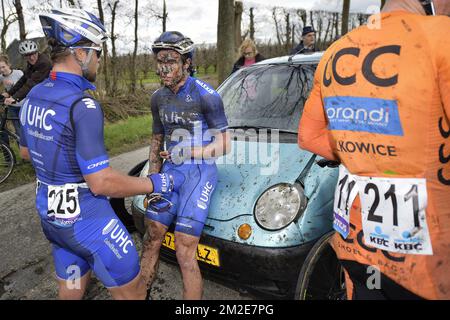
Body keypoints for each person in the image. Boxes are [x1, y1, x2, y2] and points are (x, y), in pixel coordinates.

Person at [19, 7, 183, 300]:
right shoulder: (83, 105)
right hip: (90, 221)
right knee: (133, 293)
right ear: (80, 54)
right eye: (97, 52)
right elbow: (101, 183)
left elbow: (25, 151)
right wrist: (156, 184)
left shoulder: (34, 95)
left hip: (53, 221)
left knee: (69, 294)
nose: (99, 61)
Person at [298, 0, 450, 299]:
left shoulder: (338, 49)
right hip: (428, 256)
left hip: (357, 243)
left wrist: (365, 152)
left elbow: (309, 136)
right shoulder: (442, 37)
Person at [141, 31, 231, 300]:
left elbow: (225, 145)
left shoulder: (207, 95)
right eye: (159, 60)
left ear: (187, 62)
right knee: (152, 234)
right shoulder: (158, 97)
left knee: (184, 247)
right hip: (171, 173)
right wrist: (152, 180)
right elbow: (157, 140)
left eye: (170, 59)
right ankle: (140, 294)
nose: (163, 67)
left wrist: (190, 150)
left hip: (199, 173)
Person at [2, 39, 52, 106]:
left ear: (37, 52)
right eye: (28, 55)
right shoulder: (31, 63)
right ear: (24, 56)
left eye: (33, 54)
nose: (31, 58)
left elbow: (32, 83)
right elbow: (23, 79)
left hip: (50, 96)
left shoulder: (44, 63)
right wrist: (9, 93)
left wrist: (15, 98)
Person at [0, 55, 23, 148]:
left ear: (8, 65)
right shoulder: (1, 77)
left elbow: (25, 87)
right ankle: (23, 154)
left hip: (23, 105)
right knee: (17, 131)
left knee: (26, 130)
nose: (2, 70)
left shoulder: (19, 73)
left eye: (3, 67)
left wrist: (13, 84)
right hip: (12, 107)